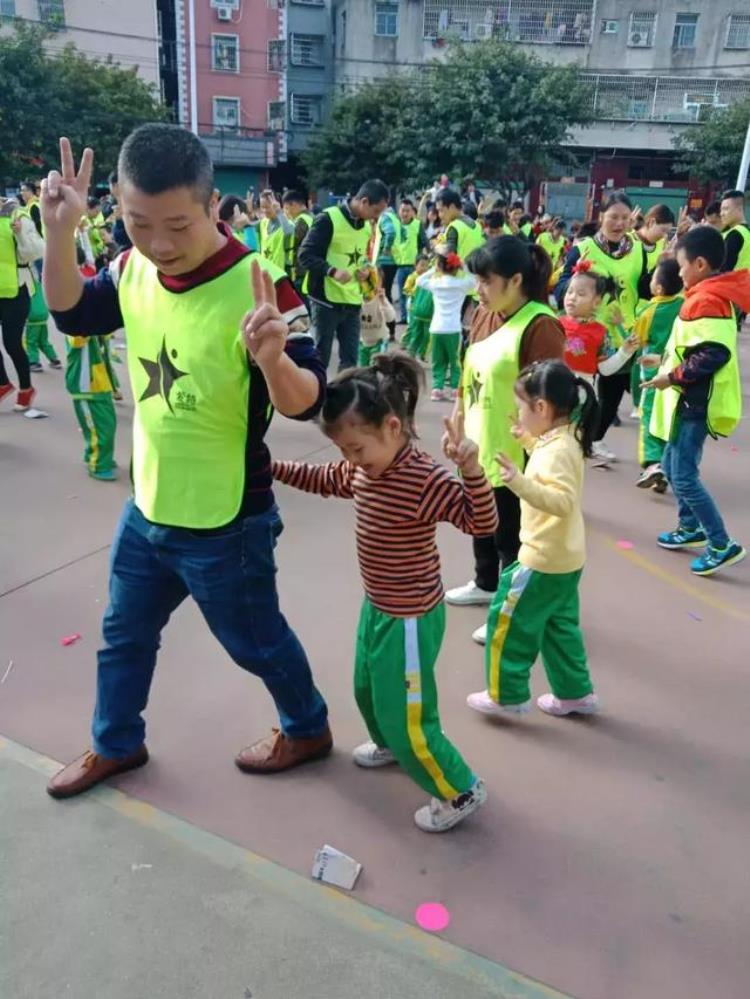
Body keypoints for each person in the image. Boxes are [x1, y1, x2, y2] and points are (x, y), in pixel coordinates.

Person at [42, 126, 331, 800]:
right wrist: (60, 233)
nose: (160, 243)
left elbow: (308, 401)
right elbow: (71, 313)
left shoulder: (264, 287)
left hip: (229, 519)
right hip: (148, 509)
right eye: (139, 223)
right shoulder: (129, 266)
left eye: (177, 224)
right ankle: (117, 743)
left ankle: (308, 725)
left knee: (255, 642)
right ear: (118, 206)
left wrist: (273, 359)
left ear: (213, 207)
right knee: (122, 633)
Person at [273, 353, 498, 832]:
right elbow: (328, 479)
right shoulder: (362, 470)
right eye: (343, 450)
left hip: (411, 617)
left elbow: (481, 521)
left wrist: (472, 470)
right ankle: (394, 746)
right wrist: (273, 467)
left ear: (393, 427)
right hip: (378, 605)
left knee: (408, 715)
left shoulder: (423, 478)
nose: (350, 461)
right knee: (367, 690)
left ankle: (459, 790)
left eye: (356, 448)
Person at [444, 237, 565, 646]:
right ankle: (484, 583)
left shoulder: (540, 324)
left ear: (516, 279)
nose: (478, 289)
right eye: (476, 280)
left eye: (485, 280)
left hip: (517, 449)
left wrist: (540, 448)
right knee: (480, 518)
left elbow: (549, 397)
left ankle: (509, 609)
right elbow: (470, 368)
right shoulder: (484, 313)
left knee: (511, 533)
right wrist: (460, 416)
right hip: (479, 440)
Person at [465, 359, 601, 719]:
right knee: (560, 629)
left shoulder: (557, 450)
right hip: (565, 560)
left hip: (540, 560)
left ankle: (505, 696)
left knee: (507, 627)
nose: (518, 412)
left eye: (521, 406)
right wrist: (526, 439)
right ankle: (575, 693)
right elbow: (548, 461)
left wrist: (518, 482)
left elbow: (562, 501)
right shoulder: (563, 437)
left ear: (541, 408)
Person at [647, 225, 748, 577]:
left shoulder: (708, 299)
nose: (678, 271)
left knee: (684, 474)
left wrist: (671, 376)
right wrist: (662, 360)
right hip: (686, 401)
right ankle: (689, 526)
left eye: (681, 264)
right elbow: (693, 347)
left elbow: (712, 353)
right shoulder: (705, 294)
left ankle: (721, 543)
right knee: (672, 464)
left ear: (700, 264)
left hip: (694, 403)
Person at [556, 191, 652, 464]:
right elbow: (563, 285)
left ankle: (593, 439)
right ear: (601, 217)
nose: (619, 223)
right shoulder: (584, 248)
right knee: (573, 390)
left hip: (622, 335)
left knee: (611, 396)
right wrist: (590, 288)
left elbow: (642, 287)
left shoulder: (636, 251)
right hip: (585, 334)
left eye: (624, 217)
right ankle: (565, 438)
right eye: (613, 217)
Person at [298, 179, 389, 372]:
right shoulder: (328, 219)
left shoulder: (366, 227)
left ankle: (345, 400)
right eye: (376, 212)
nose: (376, 218)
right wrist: (331, 271)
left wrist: (364, 270)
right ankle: (318, 400)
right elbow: (305, 255)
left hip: (352, 301)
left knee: (350, 360)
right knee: (320, 357)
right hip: (325, 301)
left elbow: (360, 257)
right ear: (364, 201)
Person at [560, 263, 640, 460]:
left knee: (571, 443)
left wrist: (624, 352)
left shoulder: (600, 333)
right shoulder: (554, 323)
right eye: (570, 292)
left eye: (580, 294)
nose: (572, 297)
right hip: (554, 387)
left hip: (582, 394)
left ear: (596, 302)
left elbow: (604, 369)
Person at [633, 258, 684, 492]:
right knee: (667, 418)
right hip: (676, 370)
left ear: (658, 287)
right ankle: (664, 465)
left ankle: (653, 464)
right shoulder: (684, 305)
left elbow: (638, 340)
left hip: (652, 372)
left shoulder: (648, 311)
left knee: (648, 417)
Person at [0, 196, 42, 411]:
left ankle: (26, 388)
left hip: (17, 290)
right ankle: (3, 383)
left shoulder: (19, 216)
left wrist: (19, 236)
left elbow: (36, 251)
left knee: (11, 343)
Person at [416, 250, 476, 401]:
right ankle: (455, 389)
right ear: (456, 268)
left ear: (440, 267)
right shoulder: (461, 285)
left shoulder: (436, 284)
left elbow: (419, 281)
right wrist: (464, 267)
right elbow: (475, 280)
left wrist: (432, 270)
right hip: (453, 328)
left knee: (438, 359)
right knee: (454, 361)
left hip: (436, 327)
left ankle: (437, 388)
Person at [65, 327, 118, 481]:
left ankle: (96, 454)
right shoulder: (75, 326)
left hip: (101, 384)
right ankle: (99, 464)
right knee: (100, 428)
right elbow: (77, 340)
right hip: (86, 387)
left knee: (106, 424)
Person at [392, 199, 427, 324]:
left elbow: (425, 242)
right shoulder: (395, 226)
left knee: (416, 293)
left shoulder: (417, 224)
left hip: (415, 268)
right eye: (402, 210)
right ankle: (403, 317)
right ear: (399, 211)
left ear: (412, 212)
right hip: (400, 266)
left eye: (407, 211)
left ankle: (414, 317)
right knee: (403, 293)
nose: (405, 213)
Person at [370, 201, 400, 338]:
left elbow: (391, 232)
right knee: (385, 294)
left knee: (383, 295)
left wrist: (386, 249)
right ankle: (389, 329)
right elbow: (403, 233)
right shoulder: (393, 216)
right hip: (393, 261)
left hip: (385, 261)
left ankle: (388, 329)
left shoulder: (385, 217)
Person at [435, 188, 485, 261]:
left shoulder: (454, 227)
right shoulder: (477, 225)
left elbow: (448, 256)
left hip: (460, 271)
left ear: (452, 207)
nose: (439, 215)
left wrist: (437, 247)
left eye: (441, 210)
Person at [401, 254, 433, 359]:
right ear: (415, 265)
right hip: (413, 305)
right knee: (413, 328)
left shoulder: (429, 278)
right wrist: (415, 292)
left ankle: (421, 352)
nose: (424, 268)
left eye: (427, 266)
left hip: (425, 307)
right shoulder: (413, 277)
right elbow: (405, 289)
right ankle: (406, 343)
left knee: (425, 333)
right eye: (422, 265)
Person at [282, 189, 313, 293]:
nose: (286, 212)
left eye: (286, 208)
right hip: (310, 269)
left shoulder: (300, 221)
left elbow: (290, 242)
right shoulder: (312, 217)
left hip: (302, 271)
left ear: (293, 204)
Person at [258, 189, 295, 272]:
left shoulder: (287, 223)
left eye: (267, 207)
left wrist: (279, 212)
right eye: (262, 207)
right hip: (265, 271)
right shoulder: (263, 223)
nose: (264, 210)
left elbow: (289, 232)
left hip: (281, 273)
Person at [358, 285, 395, 366]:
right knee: (363, 368)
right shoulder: (357, 299)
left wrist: (383, 301)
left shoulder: (381, 300)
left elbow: (390, 318)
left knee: (376, 367)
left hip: (379, 342)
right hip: (362, 342)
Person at [634, 204, 675, 274]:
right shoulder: (628, 240)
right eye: (663, 230)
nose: (665, 235)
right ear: (651, 222)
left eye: (667, 232)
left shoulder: (664, 247)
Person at [719, 190, 750, 273]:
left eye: (726, 209)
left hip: (730, 284)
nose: (722, 213)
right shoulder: (746, 232)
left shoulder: (735, 234)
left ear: (739, 209)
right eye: (721, 210)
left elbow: (723, 269)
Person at [107, 171, 132, 252]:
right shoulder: (122, 202)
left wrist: (119, 220)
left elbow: (121, 237)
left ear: (116, 185)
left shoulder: (128, 203)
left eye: (110, 185)